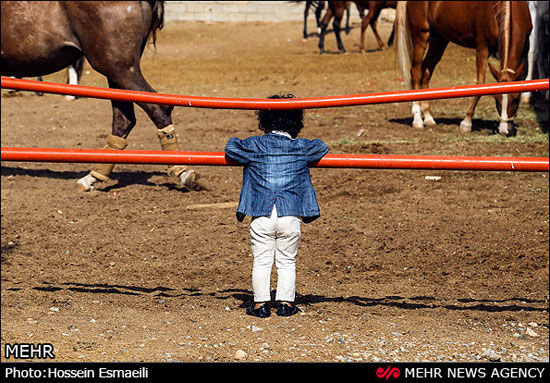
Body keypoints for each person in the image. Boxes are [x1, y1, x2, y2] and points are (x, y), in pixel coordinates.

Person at [224, 94, 329, 318]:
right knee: (287, 260)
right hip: (290, 213)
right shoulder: (301, 147)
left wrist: (237, 139)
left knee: (261, 260)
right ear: (296, 123)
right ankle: (286, 303)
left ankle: (261, 304)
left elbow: (231, 148)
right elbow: (321, 147)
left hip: (261, 213)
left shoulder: (254, 145)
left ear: (264, 120)